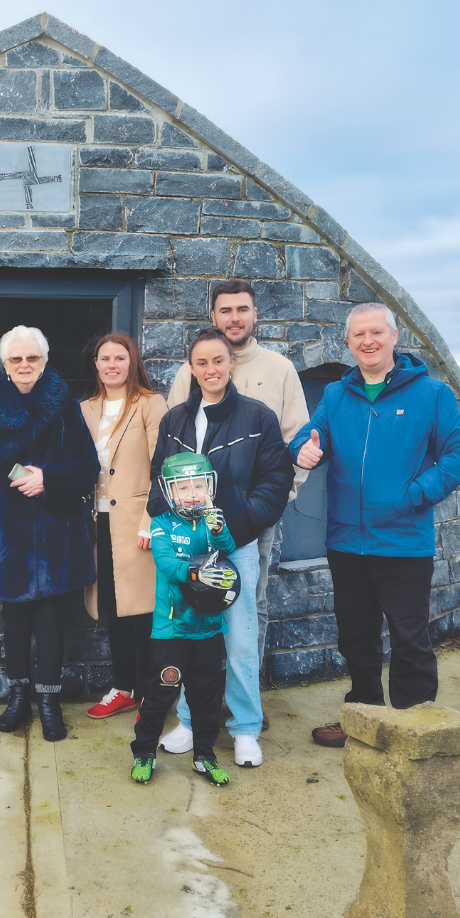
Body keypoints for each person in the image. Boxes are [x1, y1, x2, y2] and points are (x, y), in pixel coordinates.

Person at [290, 303, 460, 747]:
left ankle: (414, 730)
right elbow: (308, 435)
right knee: (356, 638)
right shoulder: (336, 395)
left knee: (410, 639)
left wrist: (413, 495)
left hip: (403, 542)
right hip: (346, 542)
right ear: (348, 343)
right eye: (358, 335)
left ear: (394, 338)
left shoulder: (431, 394)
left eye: (376, 332)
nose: (367, 341)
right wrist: (302, 449)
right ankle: (363, 721)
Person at [150, 328, 294, 768]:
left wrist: (244, 519)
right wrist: (166, 523)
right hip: (187, 546)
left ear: (231, 364)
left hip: (235, 546)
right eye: (201, 363)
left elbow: (276, 477)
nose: (210, 370)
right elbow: (157, 477)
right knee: (197, 639)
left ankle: (246, 728)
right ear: (191, 369)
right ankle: (195, 721)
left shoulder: (257, 416)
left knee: (240, 639)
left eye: (218, 361)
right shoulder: (175, 419)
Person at [166, 279, 310, 695]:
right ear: (213, 317)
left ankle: (245, 695)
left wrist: (268, 506)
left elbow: (296, 441)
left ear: (255, 315)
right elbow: (173, 440)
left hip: (253, 521)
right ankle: (202, 696)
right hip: (192, 520)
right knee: (195, 601)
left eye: (242, 309)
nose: (234, 317)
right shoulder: (187, 372)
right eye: (226, 311)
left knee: (249, 605)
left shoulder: (278, 368)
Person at [0, 326, 99, 742]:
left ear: (44, 362)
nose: (24, 366)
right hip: (7, 534)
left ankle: (49, 701)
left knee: (52, 622)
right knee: (16, 620)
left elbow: (87, 468)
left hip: (56, 531)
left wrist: (49, 479)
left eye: (32, 359)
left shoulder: (64, 405)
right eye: (15, 359)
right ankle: (19, 697)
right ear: (3, 365)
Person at [130, 453, 237, 788]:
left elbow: (228, 546)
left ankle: (205, 756)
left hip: (209, 627)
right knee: (160, 693)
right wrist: (197, 569)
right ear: (169, 491)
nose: (192, 493)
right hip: (172, 630)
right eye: (183, 487)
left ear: (209, 487)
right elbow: (168, 567)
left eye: (199, 485)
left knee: (206, 700)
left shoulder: (212, 519)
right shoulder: (161, 523)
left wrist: (218, 531)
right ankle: (144, 752)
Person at [79, 332, 166, 718]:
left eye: (119, 358)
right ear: (95, 365)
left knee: (143, 608)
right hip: (98, 521)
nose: (111, 365)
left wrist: (151, 519)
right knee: (113, 607)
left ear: (132, 363)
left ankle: (151, 691)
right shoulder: (85, 409)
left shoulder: (151, 404)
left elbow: (160, 466)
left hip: (137, 522)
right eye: (104, 359)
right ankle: (122, 687)